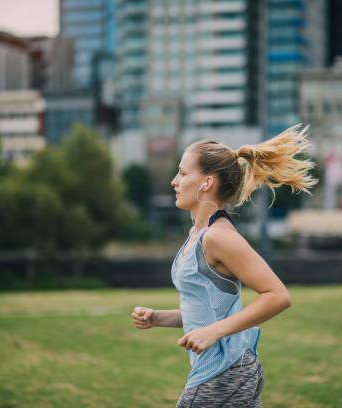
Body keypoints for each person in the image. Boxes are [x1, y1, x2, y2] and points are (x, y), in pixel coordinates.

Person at [131, 125, 318, 407]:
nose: (173, 181)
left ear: (206, 183)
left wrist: (215, 331)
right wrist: (158, 317)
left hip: (223, 373)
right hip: (230, 371)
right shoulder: (198, 234)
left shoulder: (219, 236)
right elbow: (206, 311)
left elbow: (278, 296)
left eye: (182, 173)